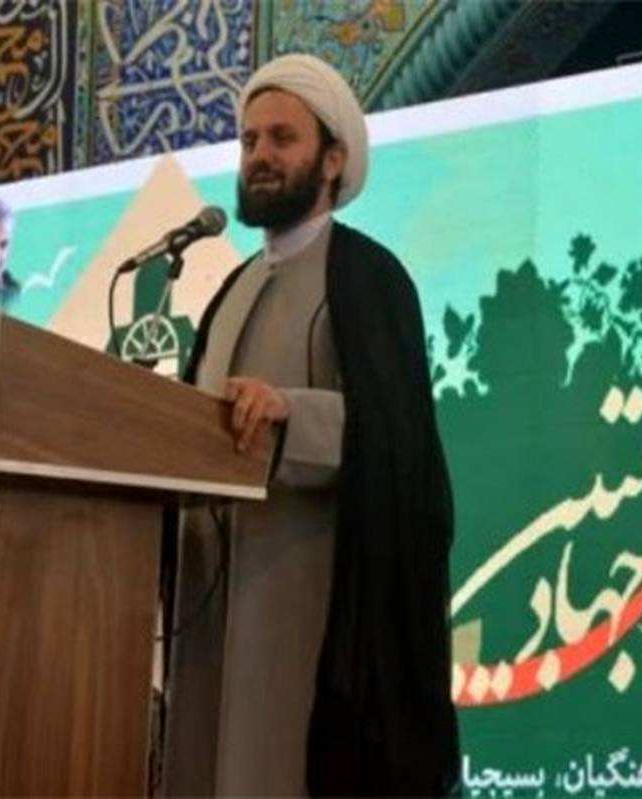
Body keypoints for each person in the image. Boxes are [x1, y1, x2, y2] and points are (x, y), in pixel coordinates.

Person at [162, 54, 459, 796]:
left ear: (332, 160)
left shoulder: (369, 279)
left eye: (281, 138)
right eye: (249, 140)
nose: (259, 155)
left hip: (311, 616)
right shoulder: (232, 290)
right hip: (209, 617)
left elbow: (401, 445)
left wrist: (294, 412)